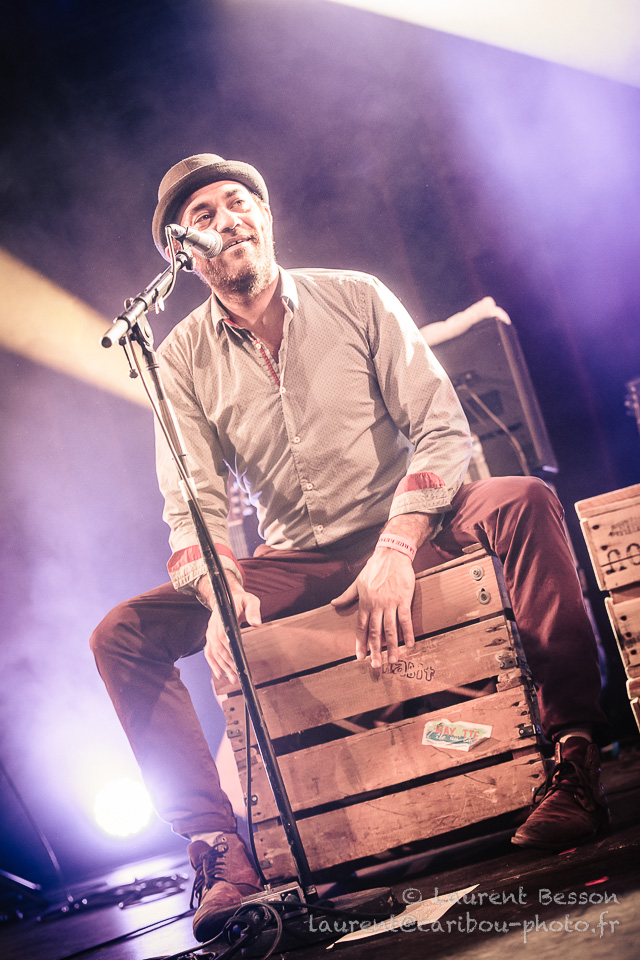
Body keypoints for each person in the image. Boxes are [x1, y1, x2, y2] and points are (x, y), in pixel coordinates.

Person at [91, 154, 609, 943]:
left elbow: (442, 429)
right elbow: (190, 506)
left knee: (526, 500)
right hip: (299, 559)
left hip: (411, 521)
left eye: (239, 201)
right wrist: (219, 596)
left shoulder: (357, 296)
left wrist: (398, 546)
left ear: (265, 217)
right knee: (121, 634)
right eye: (204, 215)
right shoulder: (180, 358)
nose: (228, 219)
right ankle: (220, 849)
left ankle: (574, 755)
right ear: (182, 253)